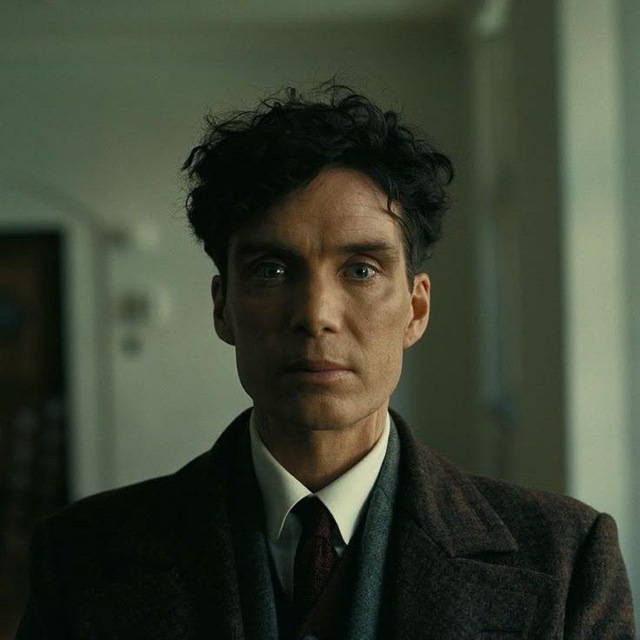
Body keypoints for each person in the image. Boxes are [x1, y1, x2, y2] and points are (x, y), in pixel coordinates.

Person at [18, 83, 635, 640]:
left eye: (361, 270)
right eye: (271, 270)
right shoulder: (80, 556)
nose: (315, 315)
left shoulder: (564, 558)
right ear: (223, 308)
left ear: (416, 309)